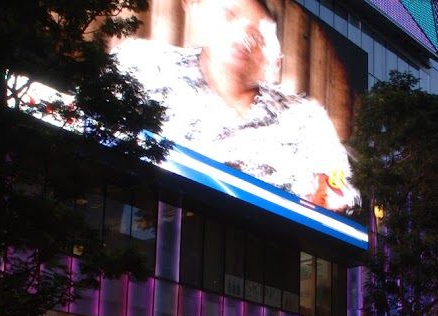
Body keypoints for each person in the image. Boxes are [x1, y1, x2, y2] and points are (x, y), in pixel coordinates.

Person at [112, 0, 358, 212]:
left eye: (257, 33)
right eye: (230, 16)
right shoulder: (144, 65)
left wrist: (334, 196)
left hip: (269, 246)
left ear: (275, 57)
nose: (243, 37)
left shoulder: (307, 118)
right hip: (136, 215)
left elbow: (346, 192)